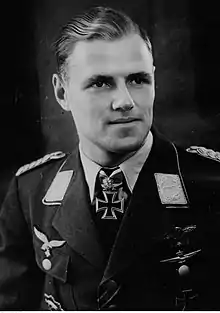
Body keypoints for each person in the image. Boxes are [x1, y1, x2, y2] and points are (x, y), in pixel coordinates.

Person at [0, 6, 220, 311]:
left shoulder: (210, 184)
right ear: (62, 92)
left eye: (138, 80)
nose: (126, 101)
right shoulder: (30, 191)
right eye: (101, 83)